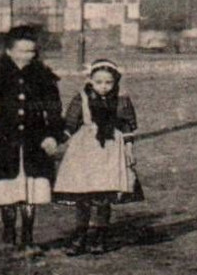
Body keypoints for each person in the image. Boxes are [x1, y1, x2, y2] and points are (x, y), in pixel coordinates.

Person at [0, 26, 68, 254]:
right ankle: (9, 235)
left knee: (31, 187)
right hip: (4, 140)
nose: (27, 56)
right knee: (7, 186)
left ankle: (28, 238)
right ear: (9, 51)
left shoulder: (42, 75)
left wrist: (52, 135)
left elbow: (54, 108)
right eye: (22, 51)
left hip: (34, 140)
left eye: (31, 51)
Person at [53, 59, 143, 256]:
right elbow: (70, 124)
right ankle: (79, 238)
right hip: (85, 151)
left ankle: (100, 237)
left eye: (108, 82)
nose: (104, 87)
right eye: (99, 82)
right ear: (90, 80)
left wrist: (129, 150)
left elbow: (127, 127)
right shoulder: (82, 98)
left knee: (104, 196)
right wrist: (56, 141)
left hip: (111, 150)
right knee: (83, 196)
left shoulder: (121, 99)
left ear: (115, 81)